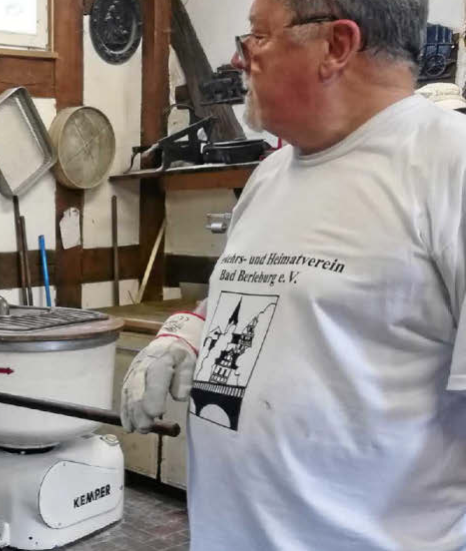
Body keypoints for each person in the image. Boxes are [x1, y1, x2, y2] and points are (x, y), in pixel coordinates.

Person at [120, 1, 466, 549]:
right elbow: (250, 297)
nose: (238, 59)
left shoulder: (450, 167)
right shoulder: (272, 173)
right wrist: (187, 333)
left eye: (257, 37)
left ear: (335, 45)